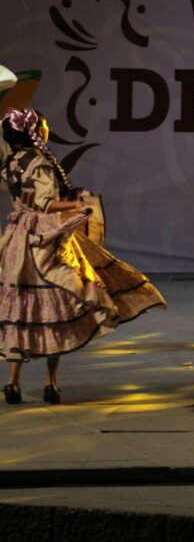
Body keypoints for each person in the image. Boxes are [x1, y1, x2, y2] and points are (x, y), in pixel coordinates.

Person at [0, 107, 166, 404]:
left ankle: (13, 381)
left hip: (18, 237)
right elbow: (47, 204)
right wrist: (77, 207)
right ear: (35, 131)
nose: (48, 129)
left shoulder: (10, 161)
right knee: (59, 303)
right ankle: (51, 381)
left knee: (21, 305)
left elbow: (22, 196)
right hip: (45, 235)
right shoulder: (40, 163)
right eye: (45, 124)